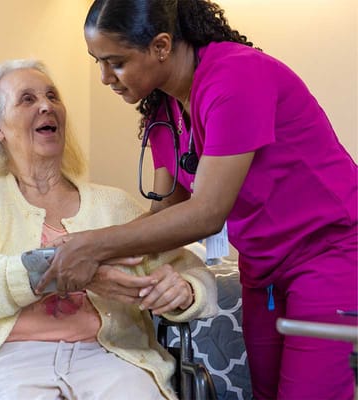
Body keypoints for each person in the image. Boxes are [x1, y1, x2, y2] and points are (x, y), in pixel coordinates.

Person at [35, 1, 358, 399]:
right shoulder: (163, 107)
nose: (104, 78)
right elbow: (168, 209)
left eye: (115, 62)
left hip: (330, 254)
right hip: (263, 270)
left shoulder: (236, 76)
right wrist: (90, 248)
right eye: (97, 62)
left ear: (161, 46)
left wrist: (94, 245)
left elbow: (205, 213)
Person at [0, 59, 217, 400]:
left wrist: (183, 290)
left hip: (112, 357)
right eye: (27, 99)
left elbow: (191, 270)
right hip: (6, 360)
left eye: (52, 96)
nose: (45, 106)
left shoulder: (114, 205)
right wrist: (63, 270)